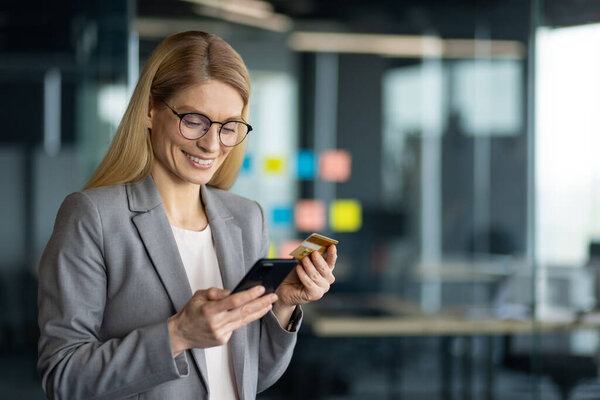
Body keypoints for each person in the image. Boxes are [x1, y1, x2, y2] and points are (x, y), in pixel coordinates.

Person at [37, 31, 337, 400]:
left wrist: (285, 305)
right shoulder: (94, 217)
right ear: (150, 110)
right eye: (194, 120)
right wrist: (177, 335)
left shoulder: (247, 218)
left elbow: (249, 378)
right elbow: (62, 378)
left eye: (229, 127)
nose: (212, 144)